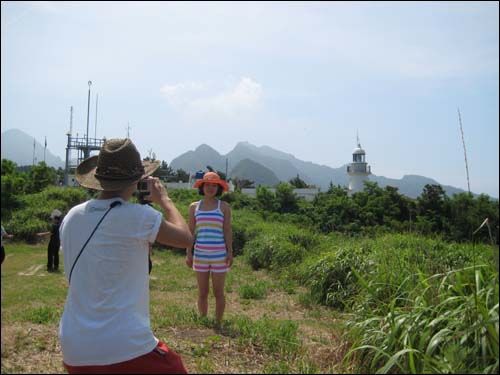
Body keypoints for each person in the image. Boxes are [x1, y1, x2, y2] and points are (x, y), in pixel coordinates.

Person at [58, 138, 193, 374]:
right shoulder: (139, 217)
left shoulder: (71, 216)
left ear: (99, 179)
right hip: (124, 345)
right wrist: (165, 200)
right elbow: (185, 238)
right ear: (137, 179)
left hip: (75, 347)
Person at [186, 172, 233, 328]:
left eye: (214, 185)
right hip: (200, 254)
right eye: (207, 185)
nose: (210, 188)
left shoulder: (224, 207)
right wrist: (188, 253)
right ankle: (203, 321)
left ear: (218, 188)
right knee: (202, 292)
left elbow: (227, 231)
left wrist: (230, 252)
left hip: (219, 255)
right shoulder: (194, 207)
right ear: (202, 187)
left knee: (218, 292)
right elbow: (190, 232)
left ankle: (218, 323)